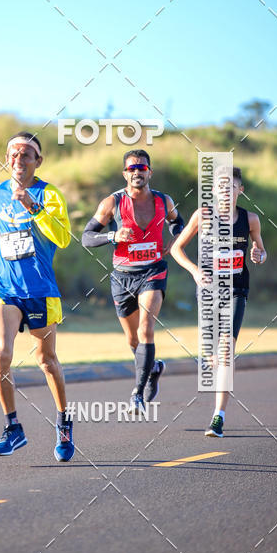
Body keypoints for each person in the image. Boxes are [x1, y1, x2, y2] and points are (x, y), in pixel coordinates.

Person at [0, 132, 75, 462]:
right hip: (3, 285)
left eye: (27, 153)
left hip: (40, 289)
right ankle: (13, 428)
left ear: (38, 161)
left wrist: (33, 205)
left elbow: (64, 237)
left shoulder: (50, 193)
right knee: (1, 354)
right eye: (13, 152)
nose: (18, 157)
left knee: (46, 360)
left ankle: (63, 424)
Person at [81, 150, 184, 412]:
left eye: (142, 167)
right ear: (125, 173)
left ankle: (137, 393)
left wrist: (177, 238)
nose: (137, 172)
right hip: (122, 277)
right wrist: (113, 236)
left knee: (146, 328)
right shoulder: (112, 203)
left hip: (153, 272)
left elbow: (177, 222)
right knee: (132, 340)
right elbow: (87, 237)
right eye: (132, 168)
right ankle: (153, 369)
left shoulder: (164, 200)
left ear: (150, 171)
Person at [170, 166, 266, 437]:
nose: (226, 189)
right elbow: (176, 248)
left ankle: (218, 417)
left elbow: (260, 249)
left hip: (237, 290)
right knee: (214, 358)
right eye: (221, 185)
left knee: (225, 352)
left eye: (231, 185)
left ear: (240, 190)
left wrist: (260, 254)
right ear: (213, 190)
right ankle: (209, 358)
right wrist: (195, 271)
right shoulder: (203, 216)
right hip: (209, 292)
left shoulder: (250, 220)